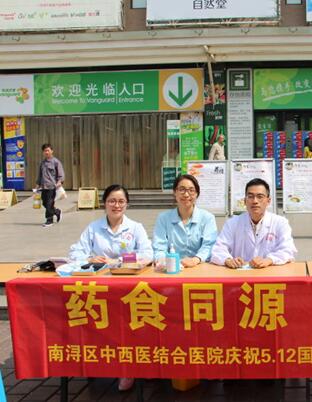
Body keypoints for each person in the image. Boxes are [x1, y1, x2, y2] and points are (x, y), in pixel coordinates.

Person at [68, 184, 152, 392]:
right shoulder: (93, 228)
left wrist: (119, 261)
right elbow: (75, 253)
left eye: (121, 201)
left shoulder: (135, 228)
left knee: (127, 326)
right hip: (99, 289)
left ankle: (127, 368)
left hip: (128, 288)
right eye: (112, 201)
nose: (116, 205)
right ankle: (100, 364)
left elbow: (147, 254)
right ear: (104, 203)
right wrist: (89, 258)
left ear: (127, 204)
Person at [211, 178, 297, 268]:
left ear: (268, 201)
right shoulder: (232, 223)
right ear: (245, 201)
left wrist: (268, 260)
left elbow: (288, 249)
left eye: (260, 196)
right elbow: (218, 249)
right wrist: (228, 260)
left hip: (269, 272)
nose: (255, 201)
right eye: (250, 196)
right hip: (240, 273)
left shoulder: (280, 222)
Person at [152, 174, 218, 267]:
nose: (186, 194)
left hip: (199, 267)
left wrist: (195, 260)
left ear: (197, 194)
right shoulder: (163, 218)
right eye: (182, 189)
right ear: (175, 192)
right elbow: (159, 247)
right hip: (171, 268)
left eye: (191, 190)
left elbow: (209, 246)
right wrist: (162, 260)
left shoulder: (208, 218)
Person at [36, 143, 64, 227]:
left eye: (48, 150)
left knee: (49, 203)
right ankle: (56, 212)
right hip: (44, 187)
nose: (46, 152)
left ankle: (49, 220)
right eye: (45, 151)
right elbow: (40, 174)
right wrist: (38, 184)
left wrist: (59, 182)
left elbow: (61, 174)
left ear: (52, 151)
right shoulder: (42, 163)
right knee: (45, 203)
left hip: (52, 187)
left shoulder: (56, 162)